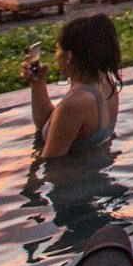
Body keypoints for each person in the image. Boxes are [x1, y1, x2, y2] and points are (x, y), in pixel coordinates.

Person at [20, 13, 122, 159]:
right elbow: (50, 125)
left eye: (57, 49)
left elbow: (50, 165)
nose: (56, 55)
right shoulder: (106, 83)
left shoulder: (75, 103)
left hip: (77, 180)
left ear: (69, 56)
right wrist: (38, 84)